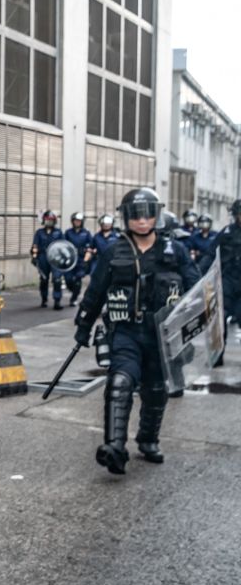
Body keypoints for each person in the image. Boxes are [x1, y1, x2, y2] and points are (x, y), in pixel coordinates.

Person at [74, 188, 200, 475]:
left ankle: (148, 440)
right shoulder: (113, 251)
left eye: (148, 215)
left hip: (161, 335)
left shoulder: (175, 251)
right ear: (126, 218)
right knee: (119, 382)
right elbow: (95, 293)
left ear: (156, 216)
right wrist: (83, 326)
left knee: (156, 390)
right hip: (126, 332)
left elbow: (195, 289)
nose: (143, 221)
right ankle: (115, 447)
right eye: (136, 215)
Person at [207, 200, 241, 347]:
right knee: (221, 316)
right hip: (227, 280)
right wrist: (199, 276)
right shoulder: (227, 232)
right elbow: (210, 254)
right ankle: (218, 351)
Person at [30, 210, 65, 309]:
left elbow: (63, 245)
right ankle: (44, 299)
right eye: (47, 220)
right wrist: (34, 256)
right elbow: (35, 245)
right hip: (43, 257)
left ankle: (57, 301)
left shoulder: (58, 232)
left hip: (56, 258)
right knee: (44, 279)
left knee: (57, 280)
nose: (49, 222)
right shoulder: (39, 233)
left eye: (51, 220)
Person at [63, 212, 93, 307]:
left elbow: (90, 247)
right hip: (70, 260)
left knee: (77, 280)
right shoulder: (68, 232)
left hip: (81, 260)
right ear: (72, 221)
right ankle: (74, 290)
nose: (77, 222)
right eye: (76, 221)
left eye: (79, 221)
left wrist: (86, 260)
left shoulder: (86, 233)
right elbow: (63, 245)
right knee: (68, 279)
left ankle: (74, 298)